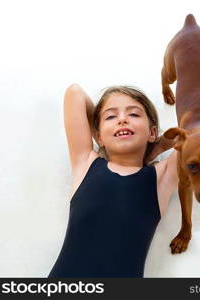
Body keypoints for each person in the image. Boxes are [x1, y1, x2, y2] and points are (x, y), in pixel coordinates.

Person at [48, 83, 178, 278]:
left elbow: (199, 135)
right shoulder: (86, 164)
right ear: (98, 136)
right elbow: (75, 93)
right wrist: (106, 134)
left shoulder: (161, 177)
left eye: (134, 114)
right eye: (111, 116)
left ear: (152, 132)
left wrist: (159, 144)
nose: (123, 119)